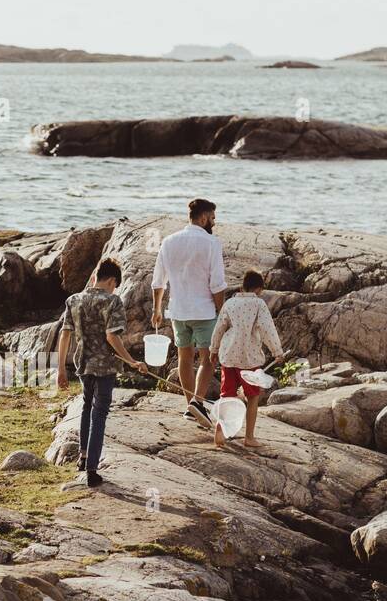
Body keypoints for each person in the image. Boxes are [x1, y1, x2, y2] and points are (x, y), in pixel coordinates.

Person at [57, 258, 149, 486]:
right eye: (114, 284)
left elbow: (65, 335)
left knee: (88, 406)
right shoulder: (112, 301)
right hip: (105, 366)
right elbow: (111, 336)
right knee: (99, 414)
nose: (114, 288)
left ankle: (84, 456)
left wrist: (60, 369)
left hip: (83, 363)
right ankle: (91, 470)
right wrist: (131, 361)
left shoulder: (74, 300)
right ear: (111, 280)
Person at [150, 199, 226, 429]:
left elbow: (158, 280)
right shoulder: (212, 243)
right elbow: (217, 284)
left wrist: (156, 309)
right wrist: (222, 312)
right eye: (212, 218)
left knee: (184, 358)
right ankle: (197, 402)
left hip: (178, 311)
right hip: (203, 311)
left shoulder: (169, 241)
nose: (213, 222)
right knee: (208, 359)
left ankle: (190, 406)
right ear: (203, 218)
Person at [209, 269, 283, 449]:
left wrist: (213, 349)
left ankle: (221, 427)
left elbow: (220, 327)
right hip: (249, 358)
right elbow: (267, 328)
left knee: (227, 395)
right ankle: (249, 437)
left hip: (229, 355)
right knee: (252, 396)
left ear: (243, 286)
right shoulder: (258, 304)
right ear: (258, 289)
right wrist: (277, 351)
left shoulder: (230, 303)